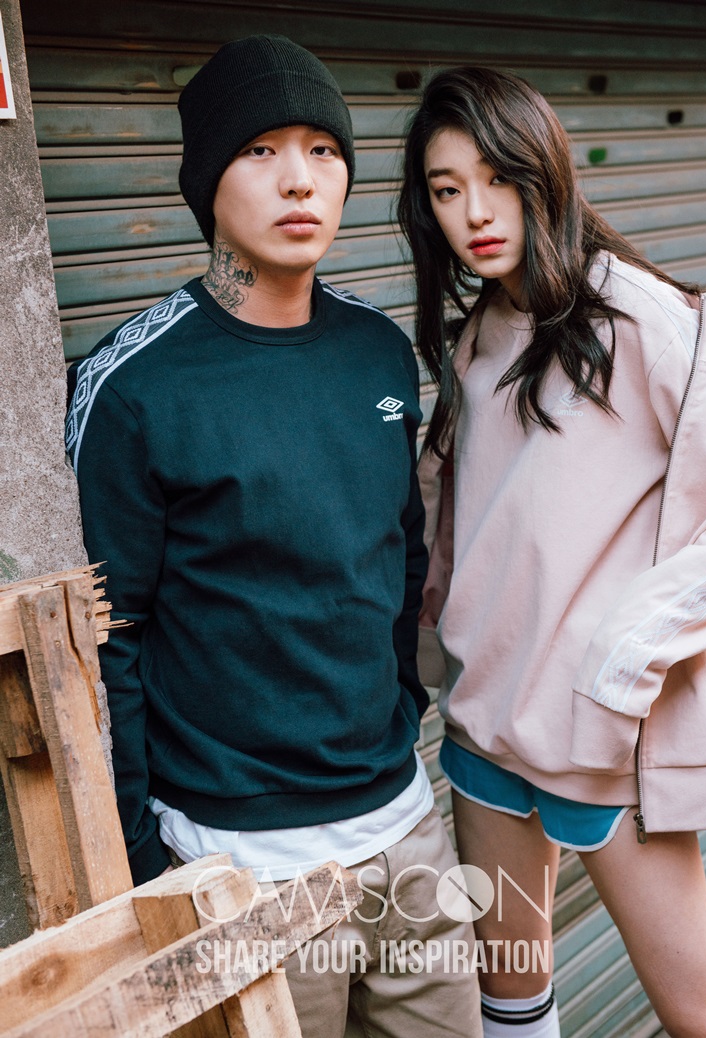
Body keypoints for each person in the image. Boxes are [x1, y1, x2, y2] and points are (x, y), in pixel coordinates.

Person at [65, 36, 482, 1038]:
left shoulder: (376, 350)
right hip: (241, 866)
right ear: (207, 181)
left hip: (405, 828)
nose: (300, 179)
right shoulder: (133, 384)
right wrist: (140, 867)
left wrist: (400, 705)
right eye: (260, 150)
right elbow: (108, 637)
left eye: (322, 150)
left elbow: (399, 551)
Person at [399, 65, 706, 1038]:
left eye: (497, 178)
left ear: (542, 172)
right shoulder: (475, 338)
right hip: (484, 732)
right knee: (510, 1005)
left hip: (600, 741)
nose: (474, 212)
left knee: (702, 1016)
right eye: (446, 189)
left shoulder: (633, 314)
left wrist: (628, 651)